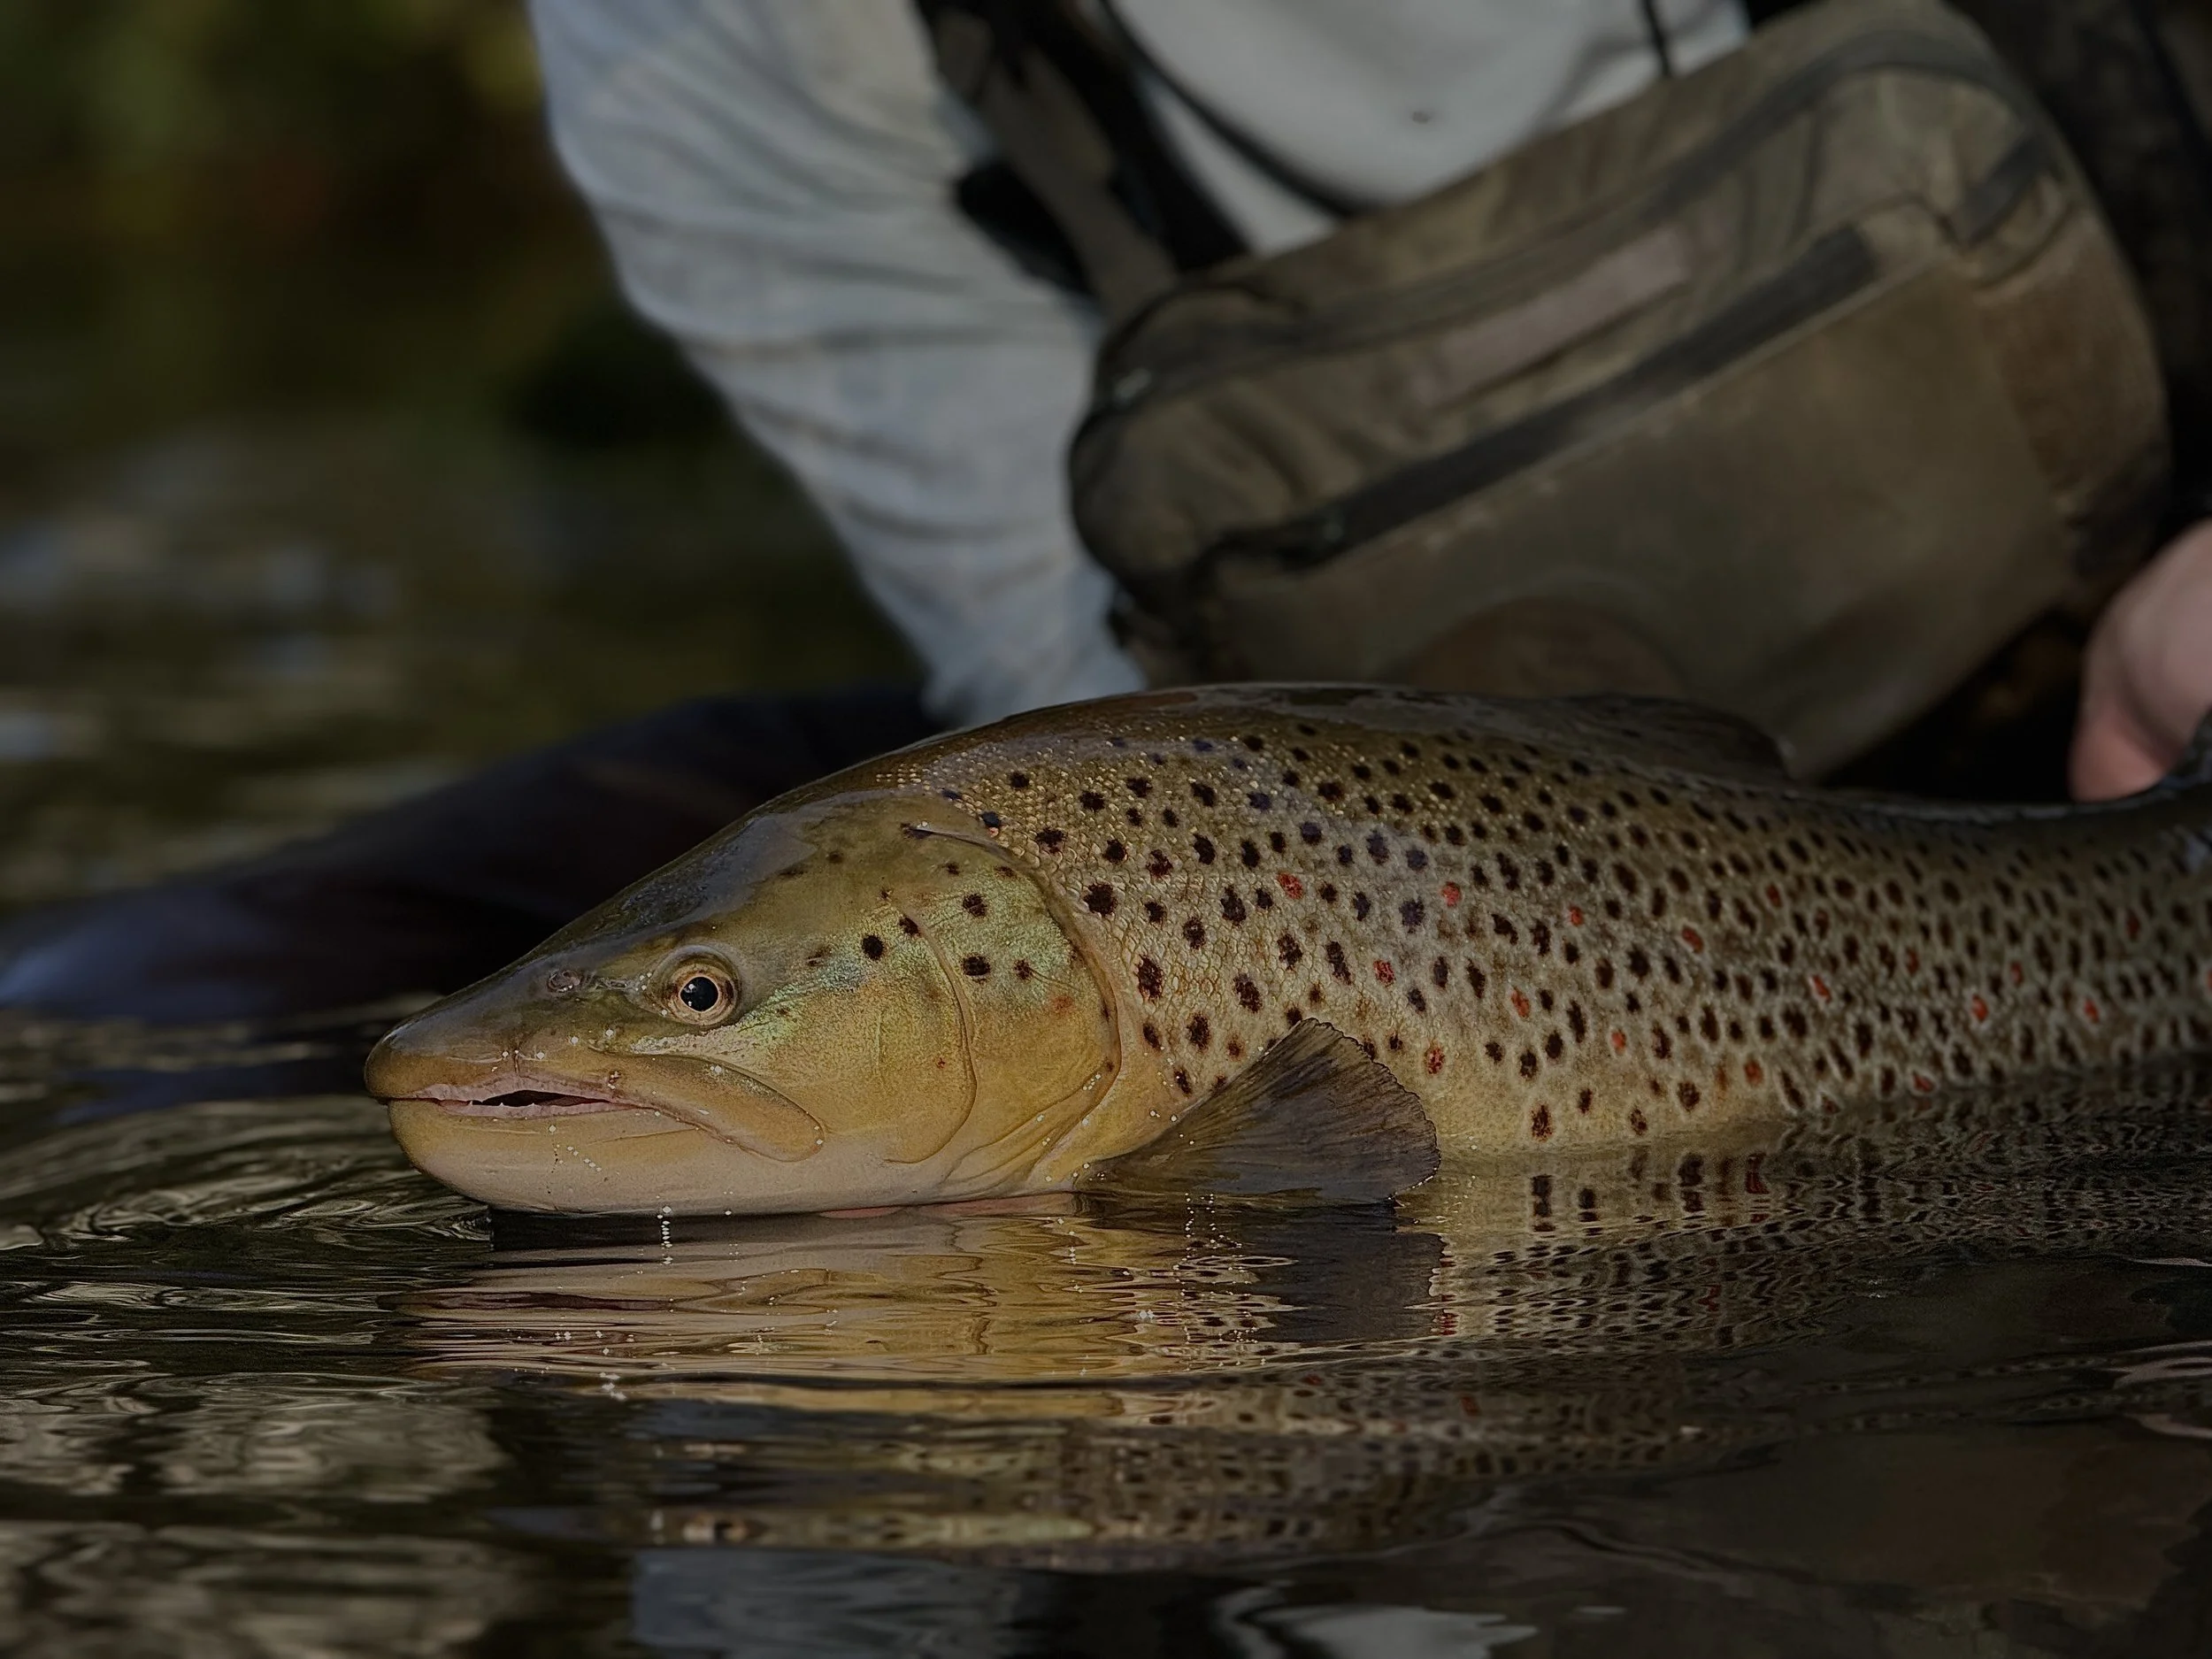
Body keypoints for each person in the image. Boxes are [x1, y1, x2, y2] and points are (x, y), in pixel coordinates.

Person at [1, 0, 2208, 1027]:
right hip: (1307, 829)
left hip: (2126, 669)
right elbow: (1071, 693)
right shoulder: (700, 39)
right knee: (152, 987)